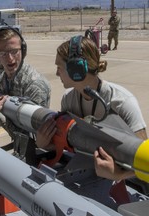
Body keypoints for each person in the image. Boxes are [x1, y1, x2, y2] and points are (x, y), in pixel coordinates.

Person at [36, 35, 147, 184]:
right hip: (87, 177)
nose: (57, 73)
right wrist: (45, 144)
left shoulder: (122, 102)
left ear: (76, 69)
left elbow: (144, 160)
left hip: (130, 184)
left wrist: (117, 175)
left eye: (59, 67)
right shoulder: (68, 99)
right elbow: (72, 144)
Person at [0, 26, 51, 165]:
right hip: (21, 148)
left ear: (23, 51)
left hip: (36, 153)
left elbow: (32, 136)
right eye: (4, 53)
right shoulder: (4, 79)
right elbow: (1, 119)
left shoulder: (35, 84)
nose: (10, 58)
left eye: (14, 51)